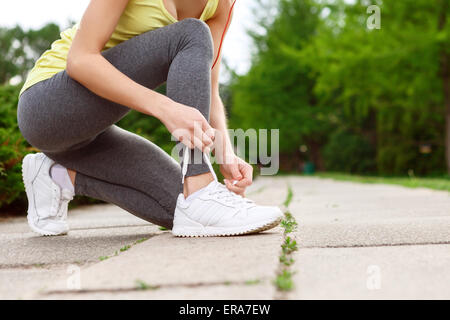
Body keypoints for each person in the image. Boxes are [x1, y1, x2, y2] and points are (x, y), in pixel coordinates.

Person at [17, 0, 282, 237]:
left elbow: (208, 87)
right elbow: (80, 60)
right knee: (192, 32)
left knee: (182, 209)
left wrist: (226, 153)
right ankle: (200, 186)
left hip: (90, 133)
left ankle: (55, 175)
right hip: (47, 105)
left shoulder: (221, 4)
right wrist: (164, 107)